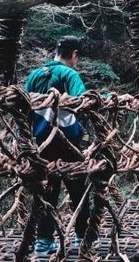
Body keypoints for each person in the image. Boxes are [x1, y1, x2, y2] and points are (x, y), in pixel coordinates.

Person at [24, 36, 90, 255]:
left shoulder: (34, 75)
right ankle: (82, 238)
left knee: (48, 189)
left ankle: (43, 242)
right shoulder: (69, 74)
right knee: (78, 187)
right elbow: (82, 100)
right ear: (75, 54)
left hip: (42, 143)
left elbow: (24, 106)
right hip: (67, 142)